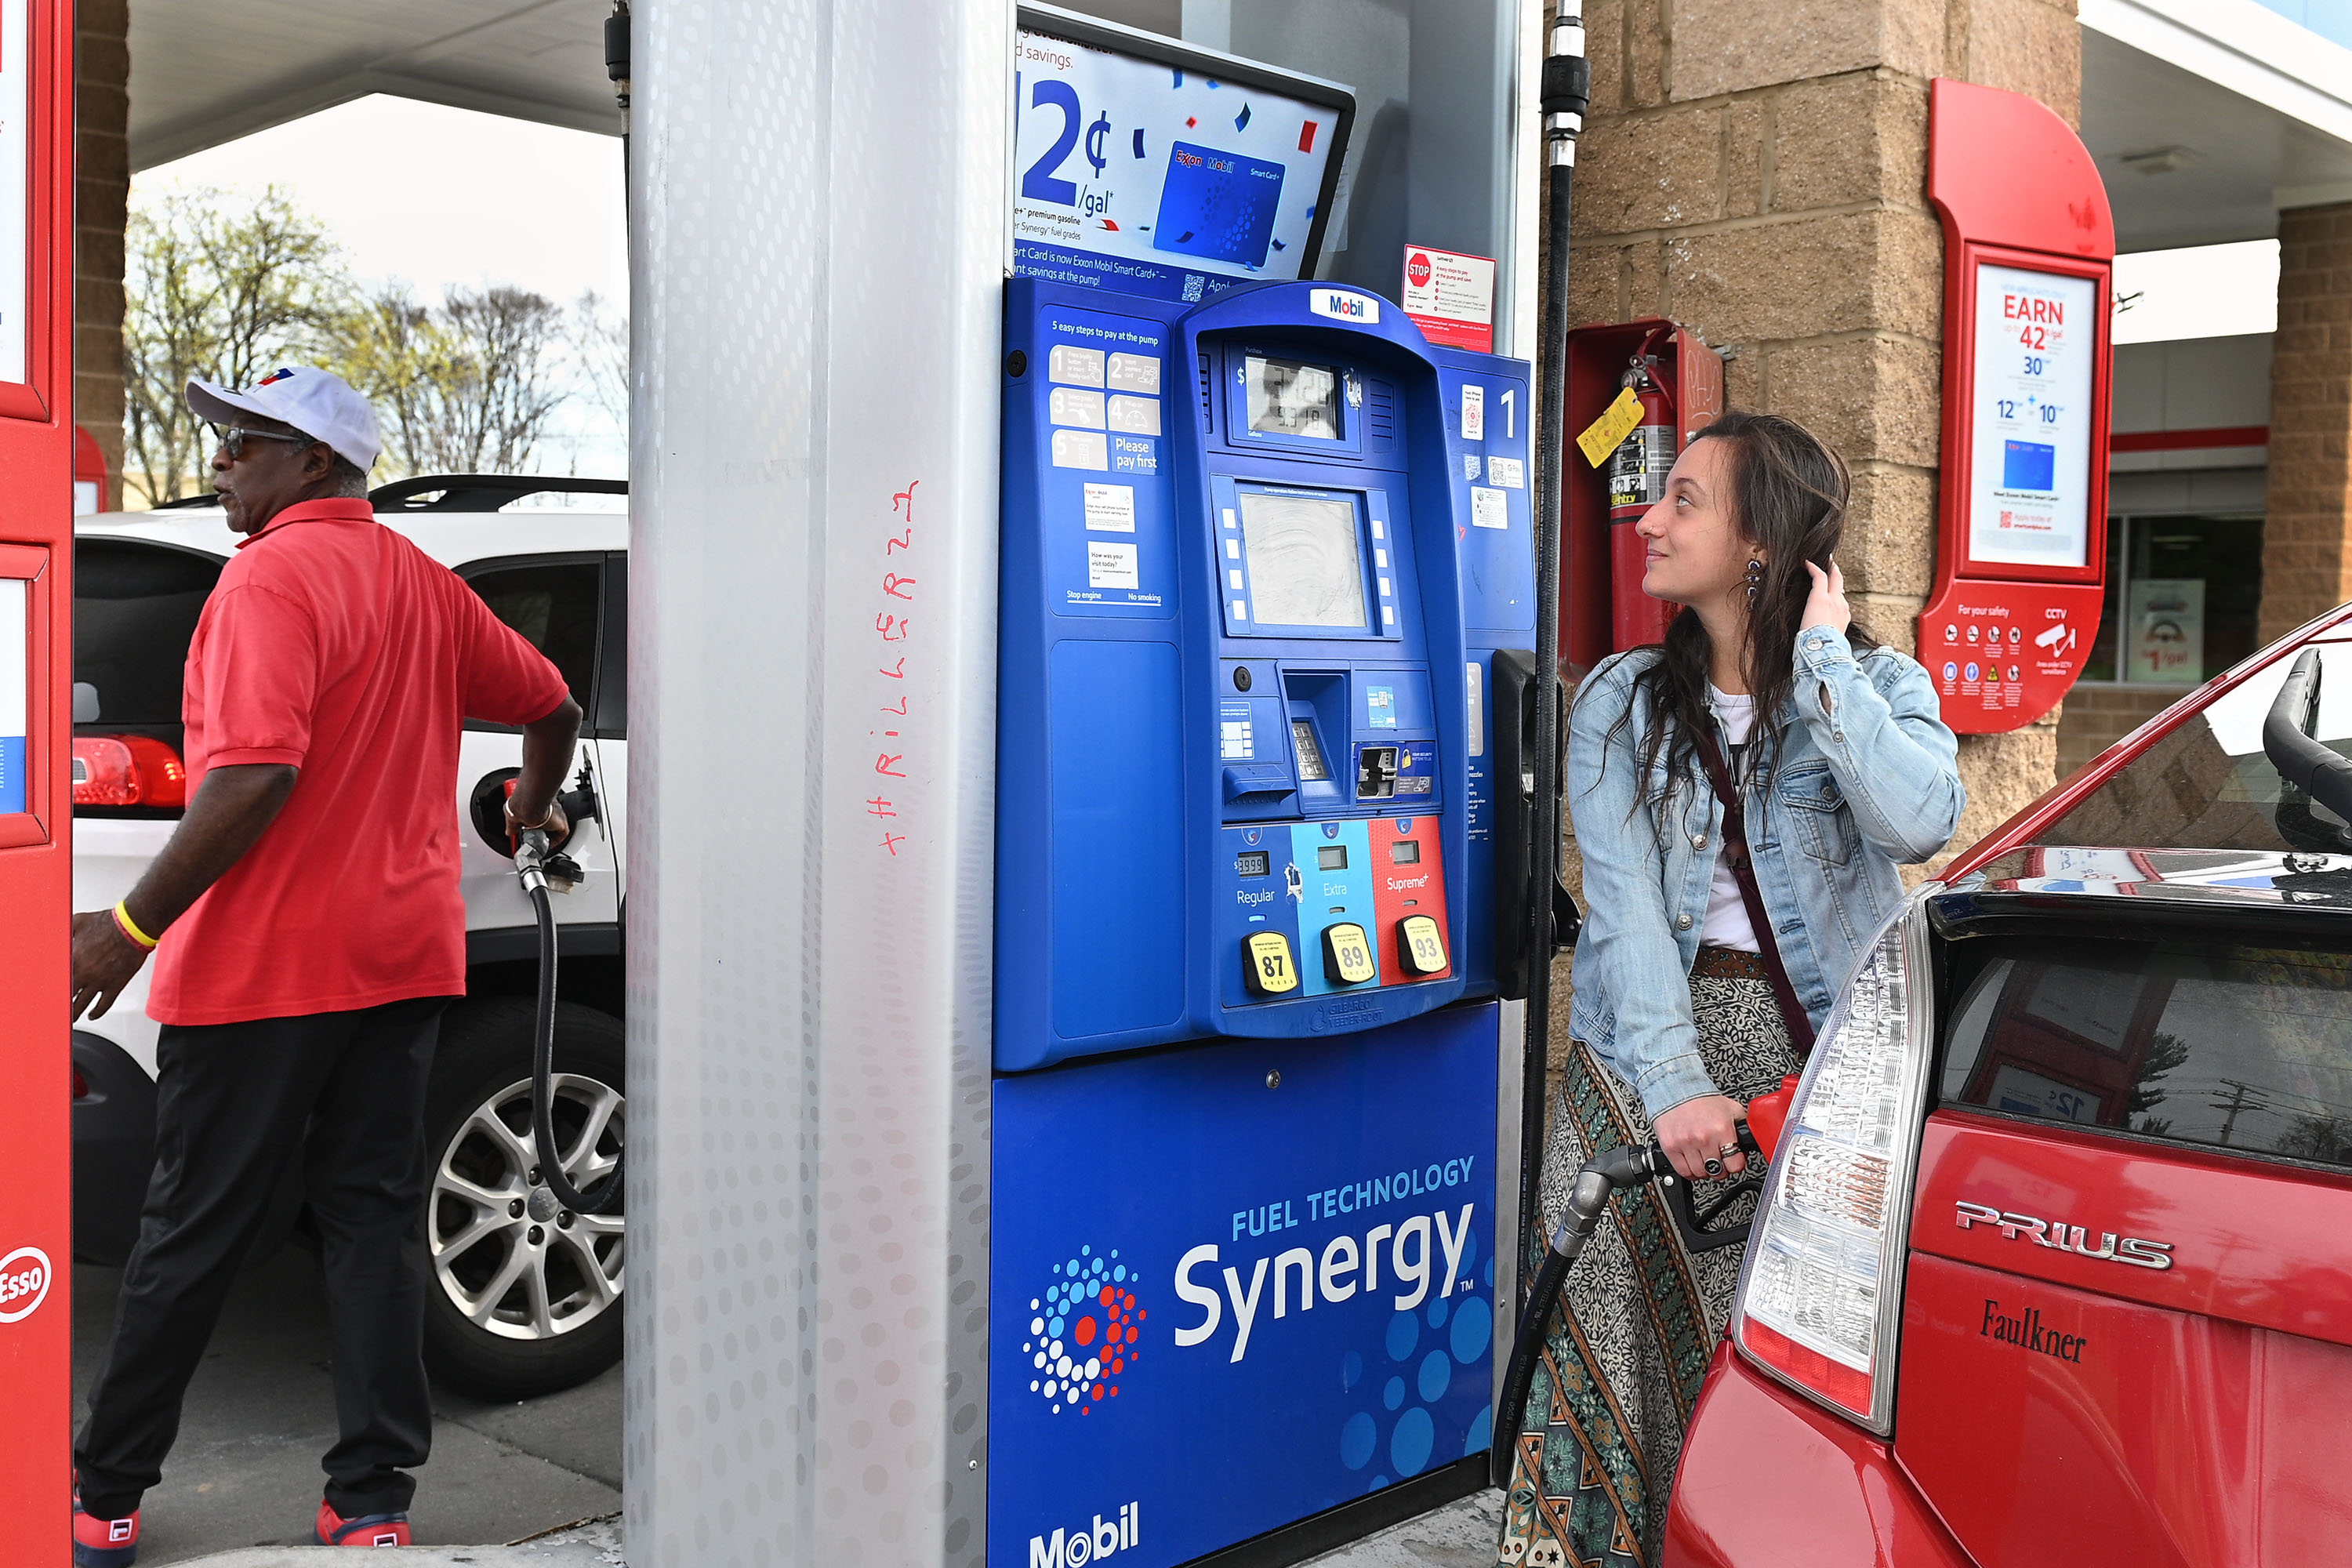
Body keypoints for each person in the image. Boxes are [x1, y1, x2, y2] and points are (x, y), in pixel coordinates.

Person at [67, 368, 583, 1563]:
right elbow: (550, 706)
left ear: (311, 463)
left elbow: (255, 773)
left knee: (192, 1234)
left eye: (240, 447)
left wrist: (128, 928)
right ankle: (371, 1507)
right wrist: (529, 809)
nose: (219, 467)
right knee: (373, 1230)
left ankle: (105, 1498)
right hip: (400, 970)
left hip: (262, 976)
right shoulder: (424, 585)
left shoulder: (268, 577)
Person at [1493, 412, 1964, 1566]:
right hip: (1640, 1061)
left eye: (1685, 499)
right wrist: (1674, 1089)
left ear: (1761, 543)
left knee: (1774, 1374)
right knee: (1605, 1359)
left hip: (1809, 1075)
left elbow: (1918, 821)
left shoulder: (1877, 685)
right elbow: (1628, 918)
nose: (1647, 519)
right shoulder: (1618, 701)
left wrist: (1823, 664)